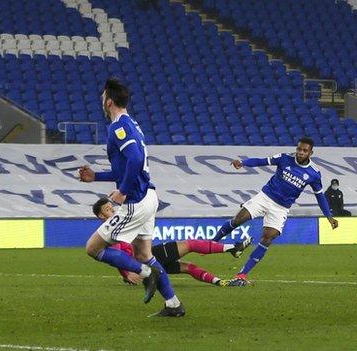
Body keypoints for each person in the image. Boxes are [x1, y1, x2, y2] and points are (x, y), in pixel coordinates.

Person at [78, 78, 184, 317]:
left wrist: (122, 192)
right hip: (149, 195)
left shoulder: (118, 128)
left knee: (93, 248)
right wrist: (95, 177)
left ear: (109, 102)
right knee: (145, 254)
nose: (102, 100)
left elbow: (135, 160)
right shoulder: (131, 124)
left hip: (135, 200)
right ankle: (173, 305)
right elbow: (126, 166)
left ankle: (147, 274)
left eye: (103, 96)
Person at [211, 137, 338, 286]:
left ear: (311, 153)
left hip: (281, 208)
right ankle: (211, 243)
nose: (300, 152)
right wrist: (243, 163)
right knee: (238, 219)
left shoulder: (314, 174)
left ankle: (242, 274)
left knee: (267, 238)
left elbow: (320, 196)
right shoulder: (284, 158)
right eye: (299, 149)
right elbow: (261, 161)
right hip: (265, 197)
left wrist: (329, 216)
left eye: (304, 150)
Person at [92, 198, 252, 286]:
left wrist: (126, 274)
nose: (113, 210)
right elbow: (116, 257)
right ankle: (233, 247)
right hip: (148, 258)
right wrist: (127, 273)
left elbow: (116, 257)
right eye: (108, 209)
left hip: (146, 262)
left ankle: (221, 282)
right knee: (191, 244)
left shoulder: (117, 225)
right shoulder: (108, 233)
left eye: (112, 207)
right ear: (101, 216)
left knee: (189, 268)